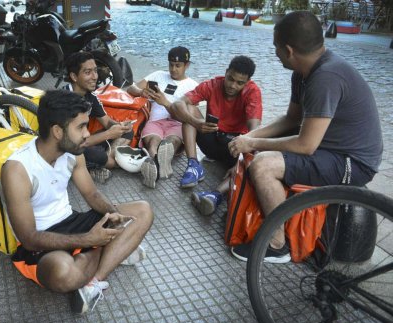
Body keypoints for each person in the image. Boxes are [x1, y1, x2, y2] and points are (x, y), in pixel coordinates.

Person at [226, 11, 383, 263]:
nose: (275, 53)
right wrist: (250, 136)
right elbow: (291, 120)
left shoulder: (326, 78)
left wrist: (254, 144)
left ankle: (277, 244)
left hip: (352, 163)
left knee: (264, 166)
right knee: (257, 150)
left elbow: (305, 144)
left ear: (289, 50)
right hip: (328, 148)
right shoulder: (302, 72)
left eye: (276, 48)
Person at [1, 90, 153, 314]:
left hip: (72, 221)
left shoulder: (73, 152)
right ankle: (110, 251)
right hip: (42, 240)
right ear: (56, 131)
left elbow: (92, 196)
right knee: (64, 274)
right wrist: (91, 238)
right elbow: (29, 238)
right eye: (81, 127)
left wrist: (114, 216)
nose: (86, 133)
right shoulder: (17, 169)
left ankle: (93, 281)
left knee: (143, 210)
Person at [169, 55, 262, 213]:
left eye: (239, 83)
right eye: (230, 79)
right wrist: (196, 122)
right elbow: (177, 104)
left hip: (235, 146)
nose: (232, 85)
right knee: (189, 110)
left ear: (247, 82)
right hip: (212, 140)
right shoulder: (212, 84)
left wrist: (243, 161)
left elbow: (254, 131)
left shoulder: (252, 92)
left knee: (255, 152)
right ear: (226, 73)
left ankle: (216, 195)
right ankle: (193, 165)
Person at [126, 46, 199, 189]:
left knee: (170, 142)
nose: (173, 69)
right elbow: (130, 88)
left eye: (178, 66)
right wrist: (142, 92)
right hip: (155, 122)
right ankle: (157, 165)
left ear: (187, 65)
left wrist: (164, 102)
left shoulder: (193, 87)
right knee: (153, 141)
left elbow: (187, 115)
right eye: (171, 65)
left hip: (177, 123)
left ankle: (155, 166)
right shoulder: (158, 75)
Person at [64, 51, 133, 183]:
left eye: (95, 71)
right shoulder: (65, 100)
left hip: (86, 141)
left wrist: (119, 127)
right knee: (95, 154)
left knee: (128, 130)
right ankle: (110, 163)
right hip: (70, 147)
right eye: (88, 72)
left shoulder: (90, 95)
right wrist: (108, 134)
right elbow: (75, 143)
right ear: (74, 76)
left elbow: (106, 121)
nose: (95, 76)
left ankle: (102, 163)